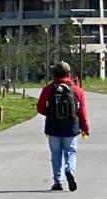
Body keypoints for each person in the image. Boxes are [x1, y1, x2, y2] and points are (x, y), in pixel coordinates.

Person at [35, 60, 89, 191]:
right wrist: (85, 128)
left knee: (56, 154)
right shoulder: (77, 90)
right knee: (70, 152)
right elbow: (82, 111)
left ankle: (58, 182)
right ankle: (69, 170)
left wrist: (50, 113)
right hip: (71, 128)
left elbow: (40, 108)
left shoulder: (48, 89)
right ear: (68, 73)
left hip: (53, 128)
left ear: (54, 74)